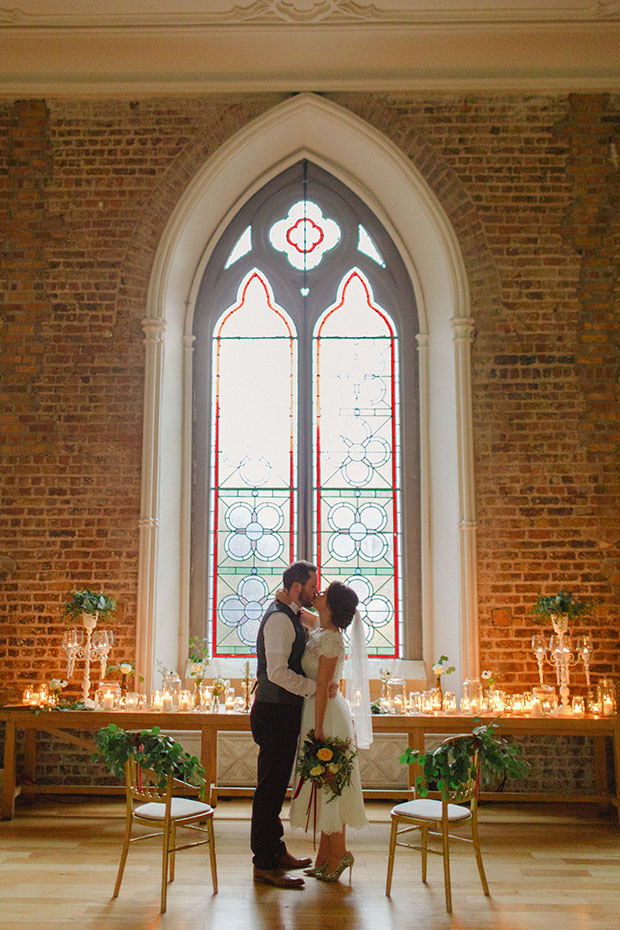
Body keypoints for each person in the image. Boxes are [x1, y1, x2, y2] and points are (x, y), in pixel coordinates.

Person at [287, 580, 372, 883]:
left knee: (332, 784)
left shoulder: (332, 640)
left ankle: (340, 854)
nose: (317, 593)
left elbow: (322, 687)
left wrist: (319, 729)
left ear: (332, 606)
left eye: (324, 593)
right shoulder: (321, 629)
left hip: (327, 716)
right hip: (316, 711)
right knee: (323, 786)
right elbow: (302, 616)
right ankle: (326, 856)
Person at [250, 560, 324, 889]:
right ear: (295, 587)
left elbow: (323, 622)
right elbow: (277, 673)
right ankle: (263, 863)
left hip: (283, 711)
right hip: (273, 710)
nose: (315, 592)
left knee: (277, 786)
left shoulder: (290, 612)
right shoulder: (279, 619)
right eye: (311, 587)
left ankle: (276, 851)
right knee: (269, 788)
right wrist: (316, 689)